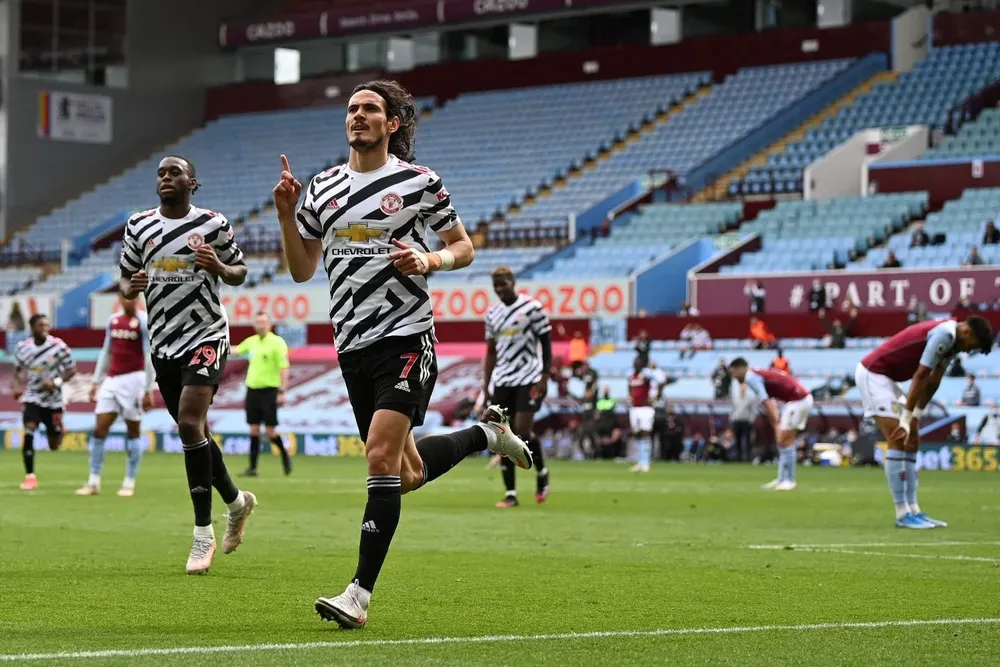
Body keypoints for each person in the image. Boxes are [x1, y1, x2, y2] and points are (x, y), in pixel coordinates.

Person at [273, 79, 531, 629]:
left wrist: (429, 260)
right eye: (351, 109)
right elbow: (301, 269)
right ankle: (486, 435)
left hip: (406, 336)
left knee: (377, 459)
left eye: (370, 109)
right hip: (351, 343)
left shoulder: (418, 183)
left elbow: (463, 247)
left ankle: (358, 594)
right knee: (405, 472)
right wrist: (284, 213)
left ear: (393, 123)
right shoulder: (321, 188)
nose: (357, 116)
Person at [119, 155, 256, 574]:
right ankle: (236, 502)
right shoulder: (139, 226)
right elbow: (125, 280)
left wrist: (219, 265)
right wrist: (132, 286)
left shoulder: (213, 223)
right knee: (197, 433)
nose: (165, 178)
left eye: (174, 172)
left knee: (188, 422)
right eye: (160, 172)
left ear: (192, 183)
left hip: (206, 335)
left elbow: (240, 271)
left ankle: (202, 533)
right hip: (163, 343)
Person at [854, 316, 993, 528]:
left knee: (912, 441)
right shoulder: (945, 335)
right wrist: (905, 419)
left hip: (888, 379)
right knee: (898, 438)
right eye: (972, 346)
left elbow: (933, 381)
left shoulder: (953, 344)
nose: (967, 351)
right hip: (873, 374)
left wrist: (916, 415)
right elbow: (920, 376)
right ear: (967, 332)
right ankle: (902, 513)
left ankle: (914, 509)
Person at [482, 266, 552, 508]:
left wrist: (544, 377)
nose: (500, 289)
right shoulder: (492, 315)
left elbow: (546, 345)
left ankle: (542, 473)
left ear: (513, 282)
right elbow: (490, 353)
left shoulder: (533, 309)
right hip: (503, 380)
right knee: (502, 435)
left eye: (504, 284)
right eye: (496, 286)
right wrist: (486, 388)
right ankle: (511, 493)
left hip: (529, 377)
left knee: (522, 430)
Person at [76, 296, 154, 497]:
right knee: (99, 428)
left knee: (133, 430)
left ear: (137, 299)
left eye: (132, 298)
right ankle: (94, 480)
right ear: (120, 299)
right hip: (111, 379)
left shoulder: (144, 322)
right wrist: (95, 380)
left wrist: (148, 388)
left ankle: (129, 481)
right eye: (125, 297)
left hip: (134, 379)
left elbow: (148, 356)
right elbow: (106, 351)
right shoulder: (114, 320)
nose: (128, 301)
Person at [11, 314, 75, 490]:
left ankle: (59, 429)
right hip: (33, 396)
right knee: (29, 431)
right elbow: (18, 370)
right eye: (41, 325)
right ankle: (30, 476)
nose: (45, 328)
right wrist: (17, 386)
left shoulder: (58, 346)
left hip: (54, 400)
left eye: (47, 325)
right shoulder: (23, 348)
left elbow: (71, 370)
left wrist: (55, 383)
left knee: (54, 445)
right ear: (32, 328)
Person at [729, 358, 813, 491]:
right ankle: (781, 478)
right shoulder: (756, 374)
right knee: (782, 441)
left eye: (733, 372)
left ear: (740, 369)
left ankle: (789, 480)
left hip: (798, 400)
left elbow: (766, 402)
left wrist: (776, 425)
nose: (733, 377)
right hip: (796, 400)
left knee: (785, 440)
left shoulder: (751, 378)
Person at [235, 312, 292, 477]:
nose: (261, 325)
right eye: (258, 322)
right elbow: (237, 350)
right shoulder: (251, 341)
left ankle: (284, 455)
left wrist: (282, 391)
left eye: (264, 322)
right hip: (252, 389)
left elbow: (284, 367)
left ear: (270, 324)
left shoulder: (277, 342)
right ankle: (252, 468)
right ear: (254, 325)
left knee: (270, 430)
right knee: (253, 429)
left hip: (269, 390)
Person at [627, 358, 663, 472]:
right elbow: (630, 388)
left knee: (646, 433)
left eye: (638, 364)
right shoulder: (631, 377)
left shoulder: (646, 376)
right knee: (637, 434)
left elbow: (661, 382)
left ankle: (646, 462)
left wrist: (657, 397)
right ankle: (639, 461)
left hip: (645, 408)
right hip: (634, 408)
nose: (636, 366)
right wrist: (630, 397)